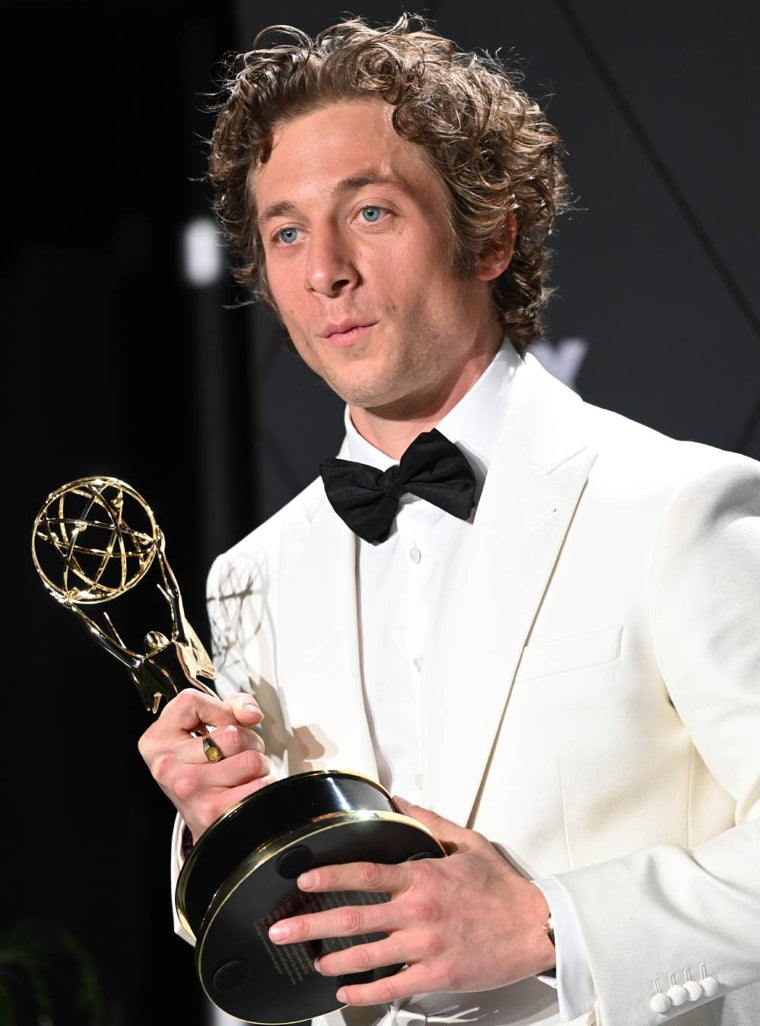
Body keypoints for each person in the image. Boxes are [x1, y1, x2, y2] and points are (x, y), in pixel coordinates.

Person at [137, 12, 760, 1026]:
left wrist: (551, 923)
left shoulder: (675, 507)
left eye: (370, 213)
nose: (323, 268)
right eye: (285, 230)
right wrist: (221, 829)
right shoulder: (253, 573)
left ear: (491, 235)